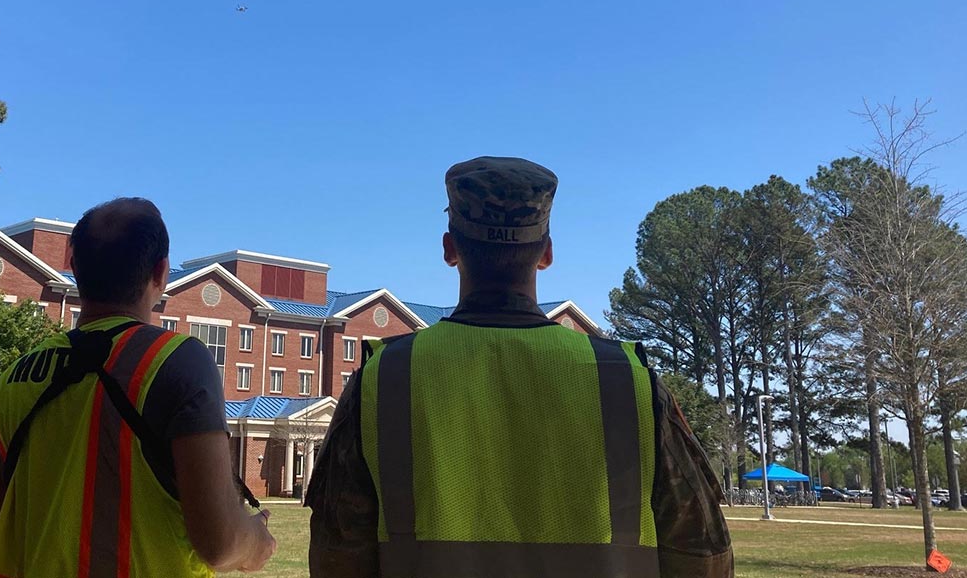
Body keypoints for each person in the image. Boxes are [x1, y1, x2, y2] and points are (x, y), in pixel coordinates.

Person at [307, 156, 734, 578]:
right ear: (546, 253)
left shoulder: (385, 381)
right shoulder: (627, 381)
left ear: (449, 249)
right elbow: (703, 553)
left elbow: (337, 555)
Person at [0, 197, 275, 578]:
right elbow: (222, 544)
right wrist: (256, 540)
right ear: (161, 272)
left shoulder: (7, 384)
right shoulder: (177, 361)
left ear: (74, 267)